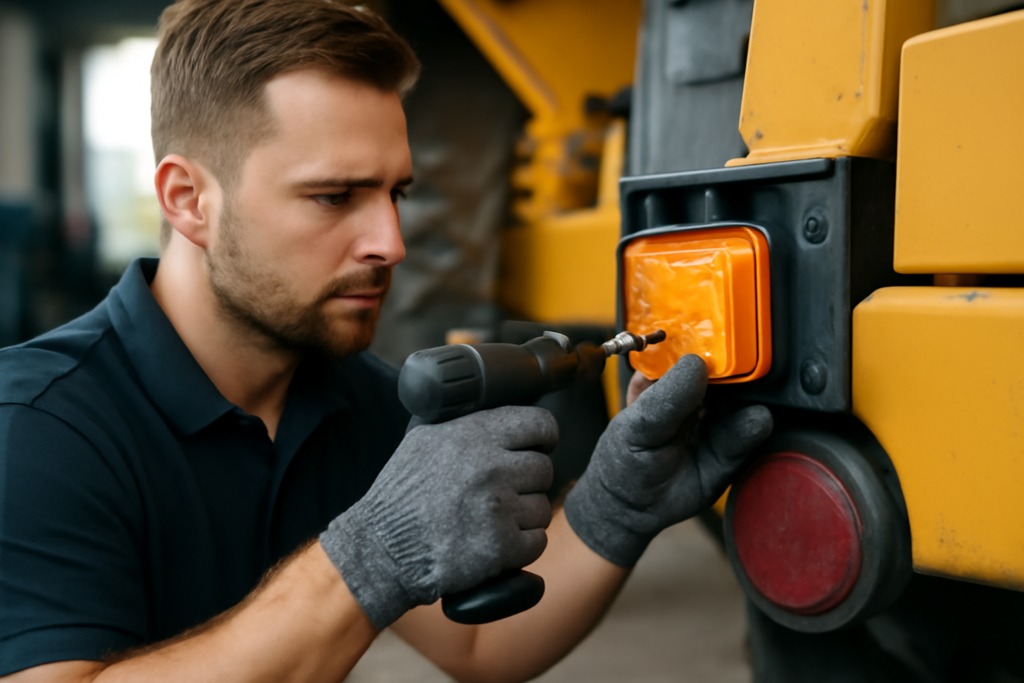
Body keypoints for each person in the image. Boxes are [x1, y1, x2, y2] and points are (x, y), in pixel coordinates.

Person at [0, 1, 772, 681]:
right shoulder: (37, 426)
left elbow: (480, 649)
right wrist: (369, 556)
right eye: (334, 196)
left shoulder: (352, 400)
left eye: (396, 192)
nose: (391, 241)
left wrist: (616, 508)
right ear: (187, 199)